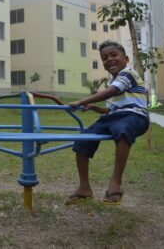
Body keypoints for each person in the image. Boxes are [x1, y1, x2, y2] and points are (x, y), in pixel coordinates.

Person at [65, 40, 149, 206]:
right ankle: (84, 188)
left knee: (123, 130)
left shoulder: (128, 73)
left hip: (136, 117)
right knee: (83, 139)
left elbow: (111, 92)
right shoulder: (113, 82)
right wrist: (96, 108)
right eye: (104, 57)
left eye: (113, 55)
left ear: (125, 59)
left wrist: (81, 101)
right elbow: (111, 111)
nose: (109, 59)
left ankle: (115, 183)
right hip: (115, 117)